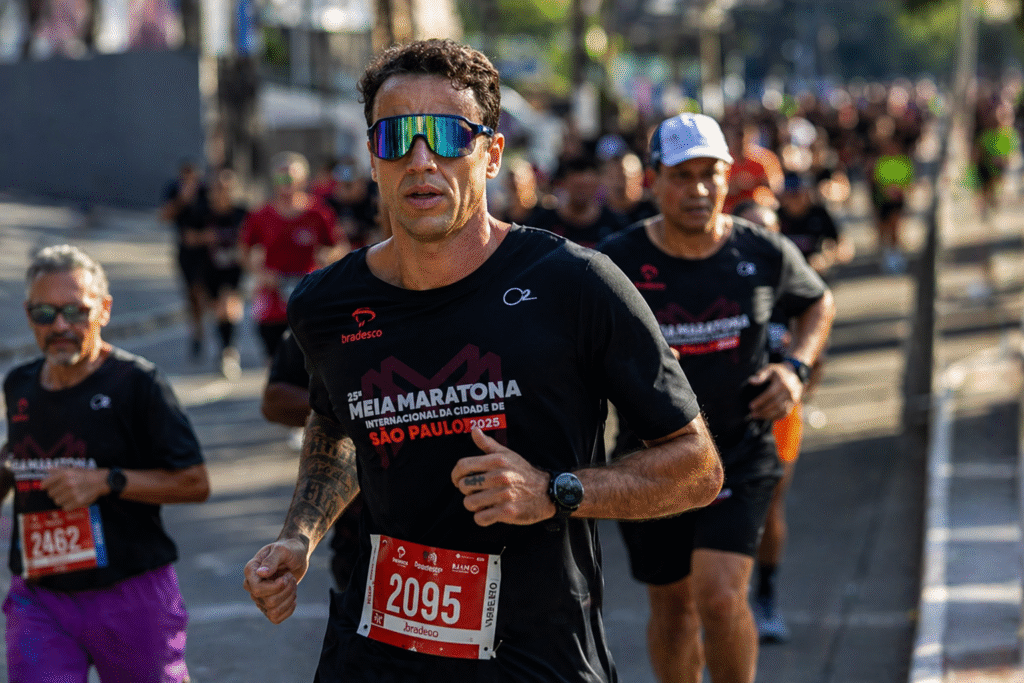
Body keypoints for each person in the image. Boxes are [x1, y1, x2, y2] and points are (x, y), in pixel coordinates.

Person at [243, 38, 723, 683]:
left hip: (534, 653)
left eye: (446, 135)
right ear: (372, 156)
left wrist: (555, 491)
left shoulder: (575, 284)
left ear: (492, 153)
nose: (421, 160)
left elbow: (697, 468)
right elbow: (338, 426)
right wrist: (298, 538)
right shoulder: (326, 303)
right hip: (379, 647)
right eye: (396, 137)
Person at [598, 112, 835, 683]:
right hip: (651, 461)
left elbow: (817, 302)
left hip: (740, 449)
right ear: (653, 179)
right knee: (673, 609)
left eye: (711, 174)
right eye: (682, 175)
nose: (699, 189)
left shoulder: (762, 250)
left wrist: (795, 369)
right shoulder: (615, 263)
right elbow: (574, 344)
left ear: (731, 178)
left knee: (720, 594)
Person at [1, 244, 210, 682]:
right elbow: (18, 455)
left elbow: (194, 482)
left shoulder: (137, 384)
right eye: (45, 313)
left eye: (76, 311)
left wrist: (106, 481)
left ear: (104, 310)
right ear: (28, 314)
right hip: (41, 596)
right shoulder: (18, 385)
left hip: (130, 592)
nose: (60, 326)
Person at [260, 329, 365, 591]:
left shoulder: (482, 302)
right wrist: (297, 538)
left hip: (474, 544)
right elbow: (273, 400)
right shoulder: (330, 303)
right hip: (363, 542)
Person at [239, 151, 343, 360]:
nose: (286, 183)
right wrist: (259, 273)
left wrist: (327, 259)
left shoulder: (318, 212)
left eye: (291, 178)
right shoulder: (261, 215)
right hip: (274, 299)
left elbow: (340, 246)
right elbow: (243, 250)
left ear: (303, 180)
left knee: (313, 363)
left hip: (309, 296)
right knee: (276, 363)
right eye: (281, 178)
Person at [199, 168, 248, 379]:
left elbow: (253, 238)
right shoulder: (202, 212)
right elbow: (188, 237)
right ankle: (223, 349)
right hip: (209, 269)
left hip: (235, 270)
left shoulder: (241, 214)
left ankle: (229, 351)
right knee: (217, 311)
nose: (223, 192)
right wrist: (205, 237)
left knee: (229, 308)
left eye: (227, 188)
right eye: (218, 188)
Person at [160, 159, 210, 361]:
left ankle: (215, 332)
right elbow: (164, 216)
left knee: (206, 293)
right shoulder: (175, 190)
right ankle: (197, 331)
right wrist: (182, 198)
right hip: (186, 251)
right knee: (192, 293)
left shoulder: (206, 192)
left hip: (208, 251)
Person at [529, 155, 628, 247]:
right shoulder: (543, 222)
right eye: (577, 186)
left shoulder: (615, 223)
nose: (582, 192)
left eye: (587, 187)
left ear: (596, 186)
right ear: (565, 184)